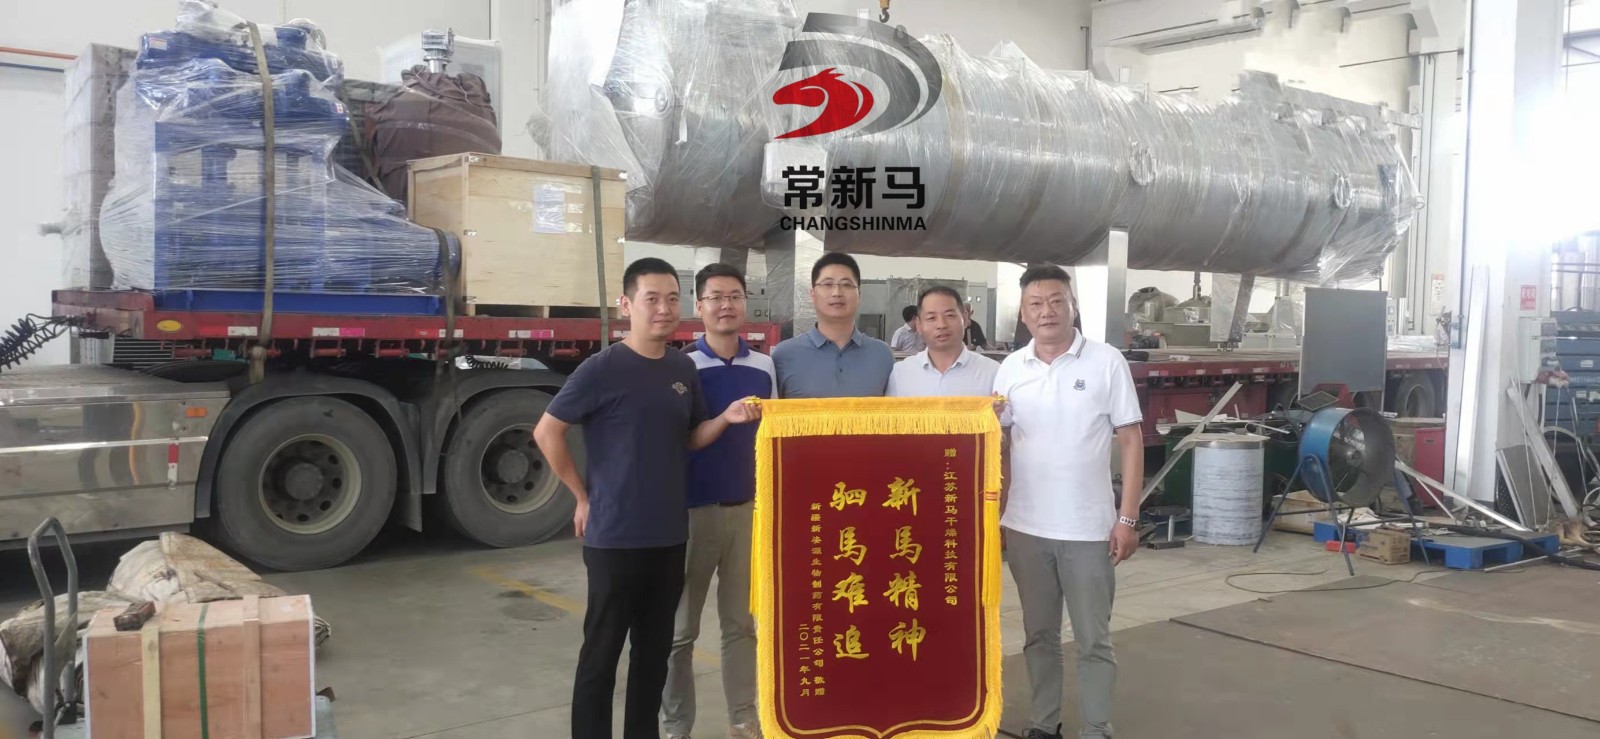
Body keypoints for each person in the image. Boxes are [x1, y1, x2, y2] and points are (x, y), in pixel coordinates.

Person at [534, 257, 762, 739]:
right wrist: (580, 497)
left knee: (653, 655)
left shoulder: (681, 368)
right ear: (626, 305)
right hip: (614, 538)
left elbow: (691, 437)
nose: (664, 309)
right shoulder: (601, 368)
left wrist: (725, 419)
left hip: (669, 536)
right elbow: (547, 432)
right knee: (601, 655)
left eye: (672, 299)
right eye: (652, 299)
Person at [993, 265, 1144, 739]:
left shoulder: (1106, 361)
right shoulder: (1010, 368)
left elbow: (1131, 439)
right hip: (1026, 528)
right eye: (1036, 304)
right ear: (1023, 314)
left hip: (1087, 530)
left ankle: (1097, 728)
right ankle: (1044, 724)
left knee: (1093, 639)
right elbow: (1001, 445)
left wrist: (1127, 517)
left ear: (1073, 306)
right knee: (1038, 637)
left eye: (1057, 300)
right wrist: (1000, 513)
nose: (1047, 311)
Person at [662, 263, 775, 739]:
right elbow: (677, 439)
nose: (725, 305)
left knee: (740, 625)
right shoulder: (681, 366)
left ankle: (743, 719)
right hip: (692, 513)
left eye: (734, 296)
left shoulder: (765, 366)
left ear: (745, 303)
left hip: (747, 512)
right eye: (715, 297)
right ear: (699, 305)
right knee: (679, 632)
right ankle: (676, 726)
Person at [771, 252, 894, 398]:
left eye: (846, 285)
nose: (837, 293)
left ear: (859, 294)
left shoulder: (882, 355)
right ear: (812, 294)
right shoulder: (784, 355)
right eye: (827, 284)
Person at [887, 286, 999, 398]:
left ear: (965, 319)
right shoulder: (901, 373)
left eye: (950, 315)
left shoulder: (992, 373)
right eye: (931, 318)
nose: (941, 325)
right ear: (919, 325)